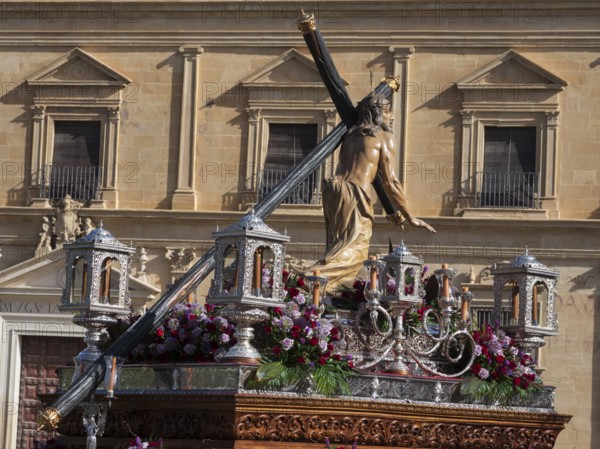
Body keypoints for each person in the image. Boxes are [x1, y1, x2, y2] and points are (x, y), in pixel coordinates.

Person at [307, 94, 435, 292]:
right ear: (380, 113)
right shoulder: (384, 137)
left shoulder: (350, 135)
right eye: (388, 112)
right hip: (355, 194)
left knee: (337, 246)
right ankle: (309, 279)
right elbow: (390, 181)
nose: (391, 117)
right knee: (354, 251)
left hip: (334, 190)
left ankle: (327, 292)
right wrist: (410, 216)